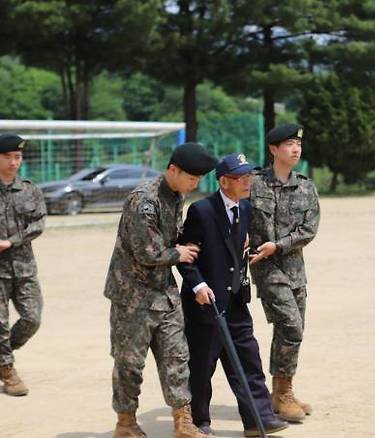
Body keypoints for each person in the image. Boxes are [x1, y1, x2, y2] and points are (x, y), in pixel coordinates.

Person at [104, 143, 217, 438]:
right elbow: (147, 251)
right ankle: (125, 422)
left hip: (164, 294)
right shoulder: (145, 200)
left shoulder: (176, 195)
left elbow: (175, 237)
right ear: (172, 170)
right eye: (191, 178)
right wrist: (178, 253)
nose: (196, 184)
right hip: (133, 297)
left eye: (198, 179)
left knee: (177, 358)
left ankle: (183, 422)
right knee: (130, 363)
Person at [177, 153, 288, 437]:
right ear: (224, 181)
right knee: (202, 366)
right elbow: (185, 257)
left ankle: (257, 420)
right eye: (241, 178)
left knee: (249, 359)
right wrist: (198, 286)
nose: (248, 181)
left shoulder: (246, 208)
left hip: (236, 300)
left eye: (249, 176)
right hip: (206, 304)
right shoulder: (201, 211)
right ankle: (200, 421)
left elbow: (233, 249)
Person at [248, 123, 320, 423]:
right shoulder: (253, 184)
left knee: (292, 330)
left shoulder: (306, 186)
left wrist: (278, 245)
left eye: (298, 145)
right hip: (265, 268)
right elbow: (233, 215)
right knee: (291, 326)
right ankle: (283, 392)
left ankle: (280, 392)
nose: (296, 149)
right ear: (273, 150)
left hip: (294, 270)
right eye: (289, 144)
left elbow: (308, 229)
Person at [0, 134, 46, 397]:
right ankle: (7, 369)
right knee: (0, 323)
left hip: (23, 266)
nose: (13, 162)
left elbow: (38, 223)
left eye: (17, 157)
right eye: (7, 157)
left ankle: (2, 354)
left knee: (32, 318)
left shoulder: (29, 189)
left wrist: (11, 241)